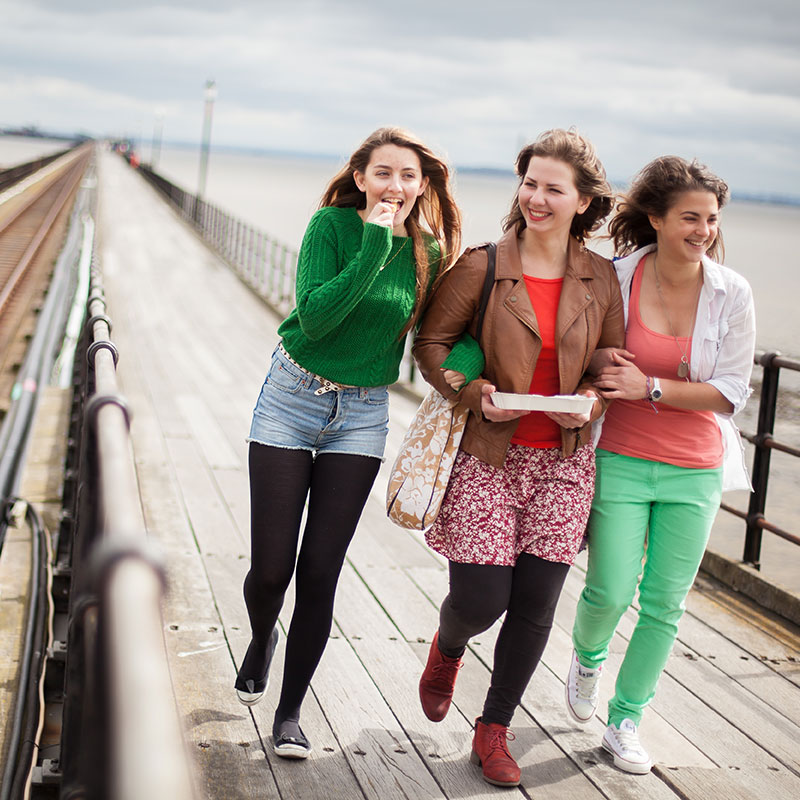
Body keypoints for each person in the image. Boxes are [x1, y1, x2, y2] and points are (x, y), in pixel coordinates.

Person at [236, 127, 463, 759]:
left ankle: (289, 713)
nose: (396, 186)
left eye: (409, 176)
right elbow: (317, 317)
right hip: (290, 398)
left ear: (424, 185)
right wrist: (373, 241)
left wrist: (468, 373)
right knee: (272, 568)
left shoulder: (429, 253)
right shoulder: (332, 229)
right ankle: (261, 636)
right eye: (384, 173)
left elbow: (443, 332)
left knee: (320, 573)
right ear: (360, 177)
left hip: (362, 413)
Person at [412, 128, 625, 788]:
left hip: (563, 464)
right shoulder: (481, 265)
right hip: (489, 456)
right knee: (480, 598)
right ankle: (449, 646)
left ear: (584, 201)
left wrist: (590, 400)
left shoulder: (601, 277)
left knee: (536, 605)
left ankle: (493, 729)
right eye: (529, 182)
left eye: (552, 188)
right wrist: (476, 394)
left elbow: (608, 364)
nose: (536, 197)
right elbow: (431, 346)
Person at [565, 156, 756, 774]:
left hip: (694, 467)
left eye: (711, 219)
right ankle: (588, 657)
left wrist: (649, 385)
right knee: (610, 589)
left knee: (665, 604)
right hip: (620, 455)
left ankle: (626, 718)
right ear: (656, 217)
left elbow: (731, 392)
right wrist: (600, 367)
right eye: (690, 218)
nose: (703, 230)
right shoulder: (614, 277)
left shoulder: (732, 292)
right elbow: (585, 353)